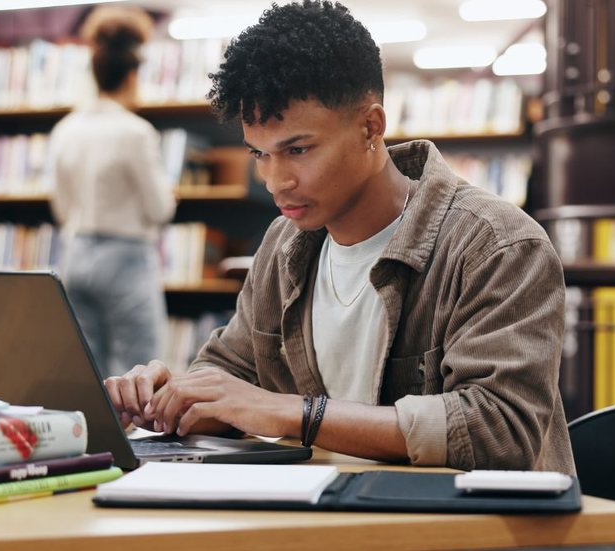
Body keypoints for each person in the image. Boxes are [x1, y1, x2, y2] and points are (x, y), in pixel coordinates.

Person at [104, 0, 574, 472]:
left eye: (298, 149)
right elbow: (232, 371)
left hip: (469, 535)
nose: (275, 180)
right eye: (259, 154)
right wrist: (175, 397)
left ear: (371, 127)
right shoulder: (283, 243)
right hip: (334, 520)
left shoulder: (497, 245)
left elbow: (499, 432)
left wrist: (291, 412)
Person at [49, 6, 176, 379]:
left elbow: (59, 206)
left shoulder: (65, 129)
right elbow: (160, 209)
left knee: (90, 369)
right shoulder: (135, 132)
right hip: (126, 259)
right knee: (140, 370)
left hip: (75, 254)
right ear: (134, 73)